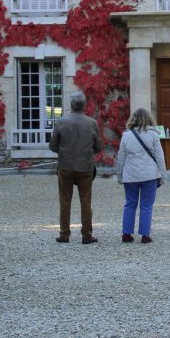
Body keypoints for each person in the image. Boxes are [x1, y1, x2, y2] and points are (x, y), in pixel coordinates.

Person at [49, 91, 103, 244]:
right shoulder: (91, 123)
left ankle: (64, 234)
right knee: (86, 202)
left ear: (71, 104)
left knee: (65, 201)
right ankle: (87, 234)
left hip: (65, 166)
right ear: (84, 105)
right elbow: (99, 147)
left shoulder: (61, 121)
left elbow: (53, 146)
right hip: (85, 167)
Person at [115, 108, 167, 244]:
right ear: (149, 119)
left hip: (130, 176)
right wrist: (163, 175)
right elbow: (160, 157)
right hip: (149, 176)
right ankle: (145, 235)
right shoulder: (153, 135)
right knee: (146, 206)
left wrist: (119, 175)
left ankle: (126, 233)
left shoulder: (126, 136)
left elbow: (121, 157)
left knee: (130, 204)